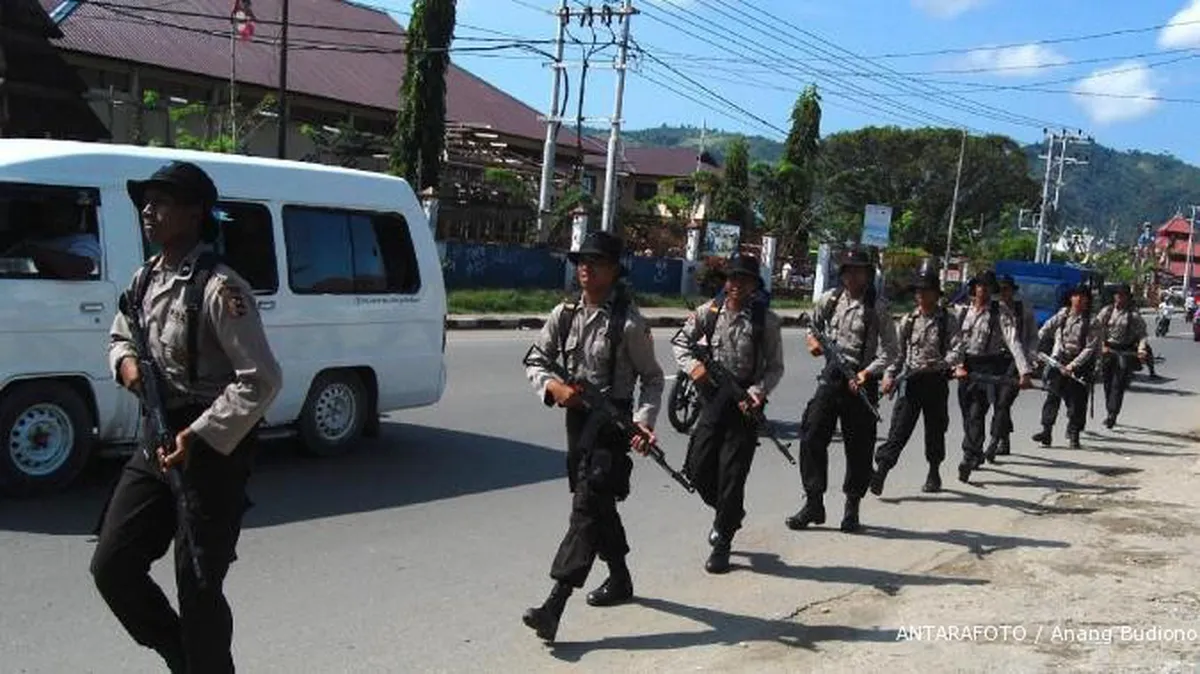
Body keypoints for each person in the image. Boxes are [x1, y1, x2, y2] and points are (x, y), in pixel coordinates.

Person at [90, 160, 282, 674]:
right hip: (157, 436)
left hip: (211, 448)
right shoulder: (145, 278)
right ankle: (185, 659)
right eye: (146, 202)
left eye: (162, 202)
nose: (148, 211)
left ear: (195, 213)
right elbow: (120, 335)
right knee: (112, 566)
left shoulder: (221, 288)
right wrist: (125, 365)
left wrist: (197, 435)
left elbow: (261, 380)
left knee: (198, 584)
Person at [521, 230, 664, 644]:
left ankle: (554, 605)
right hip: (577, 423)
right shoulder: (564, 314)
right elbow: (535, 359)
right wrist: (553, 387)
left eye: (596, 262)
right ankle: (619, 578)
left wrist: (643, 421)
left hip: (612, 427)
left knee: (586, 508)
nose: (586, 268)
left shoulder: (630, 323)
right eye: (582, 261)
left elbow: (653, 379)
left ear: (614, 270)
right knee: (598, 505)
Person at [673, 255, 784, 573]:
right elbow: (680, 342)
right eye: (732, 278)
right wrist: (693, 367)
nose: (737, 285)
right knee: (696, 468)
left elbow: (775, 367)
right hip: (712, 399)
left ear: (753, 285)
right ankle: (730, 513)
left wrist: (758, 392)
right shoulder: (708, 312)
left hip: (745, 405)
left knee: (733, 476)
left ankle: (722, 541)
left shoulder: (766, 321)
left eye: (744, 280)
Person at [786, 246, 898, 533]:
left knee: (859, 446)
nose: (852, 277)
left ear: (867, 275)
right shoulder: (831, 298)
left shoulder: (878, 307)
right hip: (833, 374)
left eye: (858, 271)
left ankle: (852, 507)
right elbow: (813, 324)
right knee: (812, 433)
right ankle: (814, 502)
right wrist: (812, 341)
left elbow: (891, 350)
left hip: (861, 379)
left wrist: (867, 373)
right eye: (848, 271)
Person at [871, 260, 960, 495]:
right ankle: (882, 470)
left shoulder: (947, 320)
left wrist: (941, 363)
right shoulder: (908, 321)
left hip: (936, 382)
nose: (921, 295)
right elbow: (897, 354)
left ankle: (934, 473)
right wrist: (889, 376)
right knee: (898, 430)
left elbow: (957, 350)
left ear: (935, 294)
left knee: (935, 431)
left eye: (926, 290)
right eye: (918, 290)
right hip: (911, 382)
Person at [952, 271, 1032, 483]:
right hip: (965, 366)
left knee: (977, 411)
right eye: (980, 285)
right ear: (974, 288)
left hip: (988, 367)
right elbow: (954, 341)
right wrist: (956, 365)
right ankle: (976, 449)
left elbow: (1013, 340)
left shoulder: (1000, 311)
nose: (983, 290)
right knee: (967, 414)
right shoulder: (963, 311)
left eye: (987, 286)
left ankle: (968, 455)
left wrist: (1024, 370)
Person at [1032, 283, 1098, 449]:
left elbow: (1089, 348)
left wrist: (1073, 366)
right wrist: (1035, 345)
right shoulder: (1063, 314)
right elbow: (1046, 329)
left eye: (1082, 296)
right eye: (1076, 295)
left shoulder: (1091, 321)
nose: (1079, 299)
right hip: (1059, 361)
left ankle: (1074, 434)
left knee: (1076, 401)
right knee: (1052, 397)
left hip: (1079, 364)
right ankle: (1046, 432)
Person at [988, 274, 1037, 461]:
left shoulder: (1023, 308)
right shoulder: (992, 308)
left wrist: (1029, 359)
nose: (1003, 293)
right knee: (997, 402)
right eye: (999, 290)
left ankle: (994, 441)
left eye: (1006, 289)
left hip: (1017, 361)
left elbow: (1033, 336)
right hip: (995, 360)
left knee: (1004, 401)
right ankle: (1004, 438)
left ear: (1012, 290)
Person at [1095, 283, 1149, 428]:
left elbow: (1142, 335)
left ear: (1127, 298)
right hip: (1107, 351)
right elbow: (1096, 329)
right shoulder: (1107, 311)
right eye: (1118, 295)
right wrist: (1101, 345)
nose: (1119, 298)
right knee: (1107, 383)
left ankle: (1112, 414)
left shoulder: (1133, 315)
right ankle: (1109, 410)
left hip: (1125, 352)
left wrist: (1141, 350)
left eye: (1123, 295)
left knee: (1118, 385)